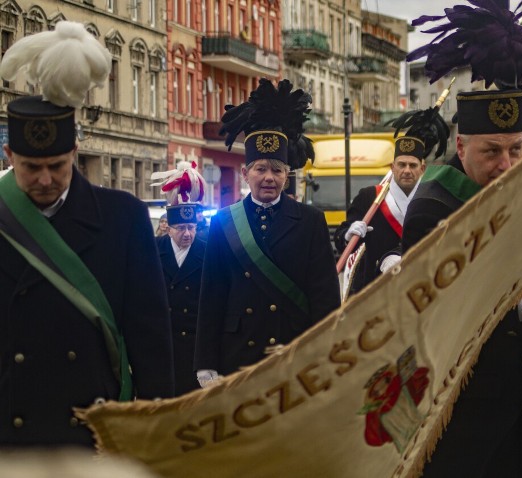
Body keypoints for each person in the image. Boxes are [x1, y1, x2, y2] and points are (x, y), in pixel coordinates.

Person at [404, 1, 522, 476]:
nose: (505, 164)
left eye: (516, 150)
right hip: (460, 411)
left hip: (519, 399)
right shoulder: (433, 208)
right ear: (461, 147)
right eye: (491, 151)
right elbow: (444, 322)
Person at [0, 22, 173, 447]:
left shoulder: (124, 219)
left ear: (74, 154)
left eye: (57, 166)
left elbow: (150, 338)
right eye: (30, 168)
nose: (44, 179)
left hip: (93, 435)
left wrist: (155, 431)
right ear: (9, 156)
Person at [194, 78, 340, 387]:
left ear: (288, 175)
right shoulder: (223, 222)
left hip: (294, 353)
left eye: (277, 169)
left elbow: (325, 297)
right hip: (237, 356)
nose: (268, 177)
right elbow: (211, 298)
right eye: (260, 169)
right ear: (246, 173)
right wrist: (205, 363)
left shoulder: (311, 220)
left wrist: (325, 353)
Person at [334, 101, 449, 295]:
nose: (406, 171)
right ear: (392, 167)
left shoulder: (432, 200)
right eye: (401, 165)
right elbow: (340, 238)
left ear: (422, 169)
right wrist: (348, 233)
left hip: (420, 291)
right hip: (373, 291)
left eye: (412, 166)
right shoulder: (369, 197)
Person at [151, 162, 208, 395]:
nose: (187, 234)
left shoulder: (207, 252)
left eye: (192, 227)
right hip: (163, 346)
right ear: (169, 228)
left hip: (195, 347)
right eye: (182, 228)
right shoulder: (153, 250)